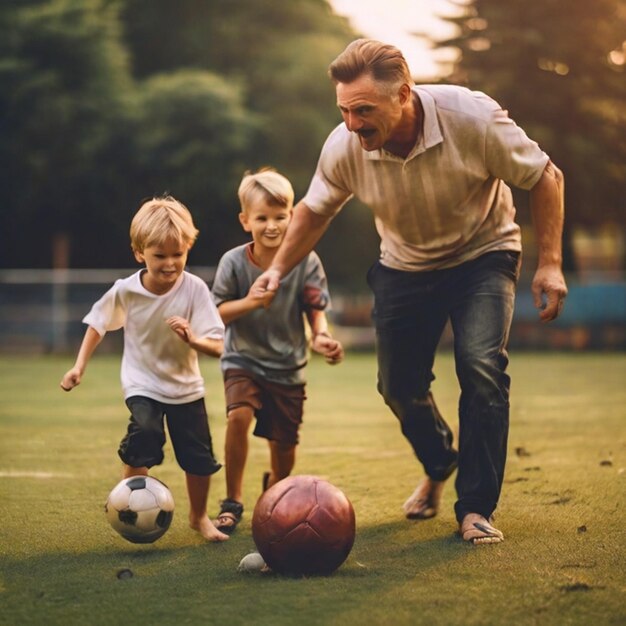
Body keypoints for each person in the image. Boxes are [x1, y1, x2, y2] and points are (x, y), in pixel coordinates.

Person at [252, 39, 568, 545]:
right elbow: (314, 210)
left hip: (483, 255)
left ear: (404, 95)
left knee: (482, 366)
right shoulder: (344, 146)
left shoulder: (473, 118)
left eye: (363, 111)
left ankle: (476, 508)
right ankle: (440, 460)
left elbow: (546, 176)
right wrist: (279, 270)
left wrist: (550, 264)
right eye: (344, 111)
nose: (352, 124)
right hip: (404, 266)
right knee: (397, 385)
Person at [60, 196, 229, 542]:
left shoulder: (195, 289)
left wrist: (193, 339)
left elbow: (218, 345)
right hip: (142, 383)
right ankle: (127, 509)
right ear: (140, 253)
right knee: (144, 436)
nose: (170, 264)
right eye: (160, 256)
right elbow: (97, 323)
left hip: (186, 387)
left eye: (178, 255)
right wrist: (79, 367)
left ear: (187, 250)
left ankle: (199, 518)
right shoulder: (126, 291)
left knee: (198, 457)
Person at [210, 168, 344, 534]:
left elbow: (316, 309)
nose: (272, 226)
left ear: (293, 216)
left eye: (280, 217)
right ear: (245, 221)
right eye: (262, 218)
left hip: (288, 366)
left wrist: (322, 337)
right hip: (243, 358)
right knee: (238, 416)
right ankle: (232, 501)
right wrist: (251, 302)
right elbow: (218, 312)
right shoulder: (233, 262)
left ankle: (273, 498)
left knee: (283, 445)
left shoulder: (307, 260)